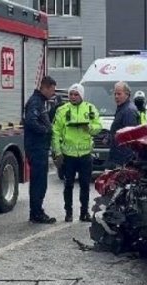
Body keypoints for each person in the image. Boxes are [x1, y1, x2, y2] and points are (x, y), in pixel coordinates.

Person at [52, 83, 102, 223]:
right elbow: (55, 132)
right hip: (68, 155)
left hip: (85, 154)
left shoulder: (90, 108)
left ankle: (84, 212)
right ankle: (68, 212)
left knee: (85, 185)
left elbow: (98, 126)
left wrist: (89, 127)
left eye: (76, 94)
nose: (73, 97)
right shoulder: (62, 110)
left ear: (81, 95)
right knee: (68, 185)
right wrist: (57, 152)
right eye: (71, 94)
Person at [23, 75, 58, 224]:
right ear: (45, 87)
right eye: (52, 90)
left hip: (39, 147)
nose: (53, 93)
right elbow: (31, 121)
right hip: (36, 147)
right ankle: (36, 213)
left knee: (40, 181)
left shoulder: (40, 102)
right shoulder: (35, 102)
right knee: (39, 181)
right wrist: (45, 130)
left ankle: (37, 211)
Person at [108, 81, 139, 167]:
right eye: (115, 94)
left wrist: (127, 161)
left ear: (127, 94)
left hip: (124, 158)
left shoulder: (129, 111)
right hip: (119, 154)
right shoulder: (122, 109)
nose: (116, 97)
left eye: (119, 94)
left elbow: (129, 136)